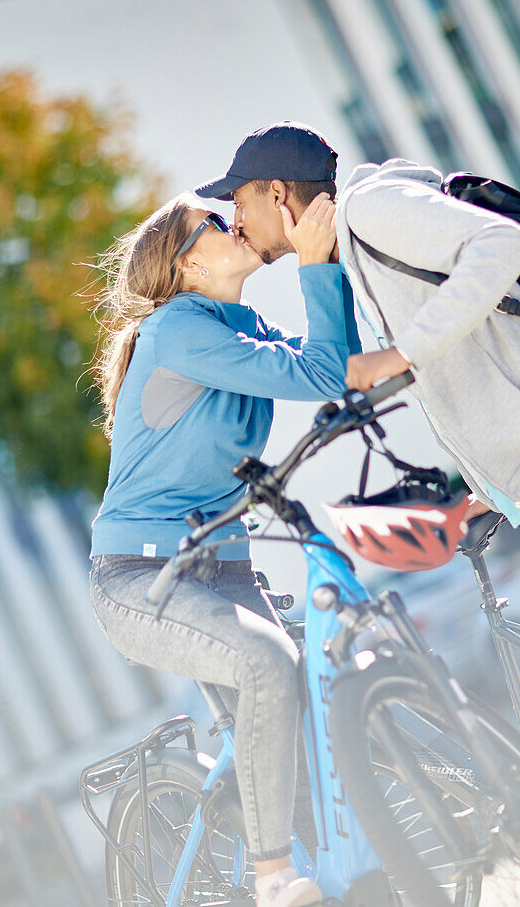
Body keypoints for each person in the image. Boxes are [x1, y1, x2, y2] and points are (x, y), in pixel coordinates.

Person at [197, 123, 520, 768]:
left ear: (276, 193)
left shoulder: (369, 207)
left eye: (239, 202)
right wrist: (487, 486)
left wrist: (403, 352)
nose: (234, 220)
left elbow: (499, 241)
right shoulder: (349, 242)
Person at [89, 187, 360, 907]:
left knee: (310, 701)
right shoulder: (177, 328)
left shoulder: (241, 324)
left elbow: (336, 364)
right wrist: (315, 264)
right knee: (267, 665)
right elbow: (324, 374)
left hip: (226, 568)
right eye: (211, 221)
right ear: (185, 268)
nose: (231, 220)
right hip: (143, 581)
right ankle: (272, 879)